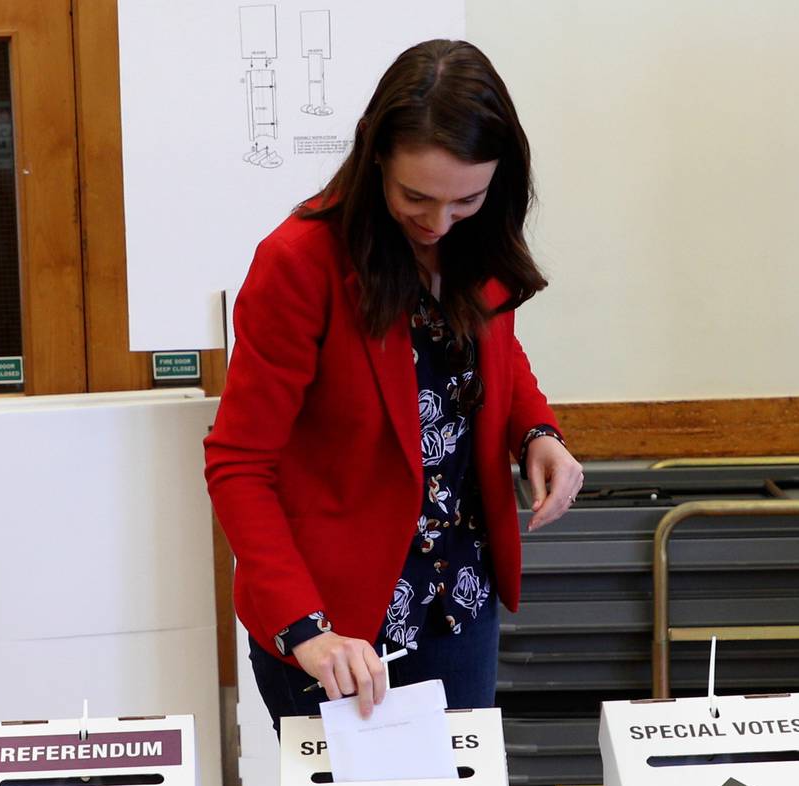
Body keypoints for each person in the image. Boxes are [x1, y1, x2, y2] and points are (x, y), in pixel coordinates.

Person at [204, 39, 583, 730]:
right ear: (375, 154)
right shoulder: (299, 263)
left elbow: (495, 353)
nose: (439, 222)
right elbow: (238, 464)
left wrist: (536, 431)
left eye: (465, 199)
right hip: (333, 623)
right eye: (416, 197)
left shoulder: (479, 240)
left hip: (457, 595)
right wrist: (305, 628)